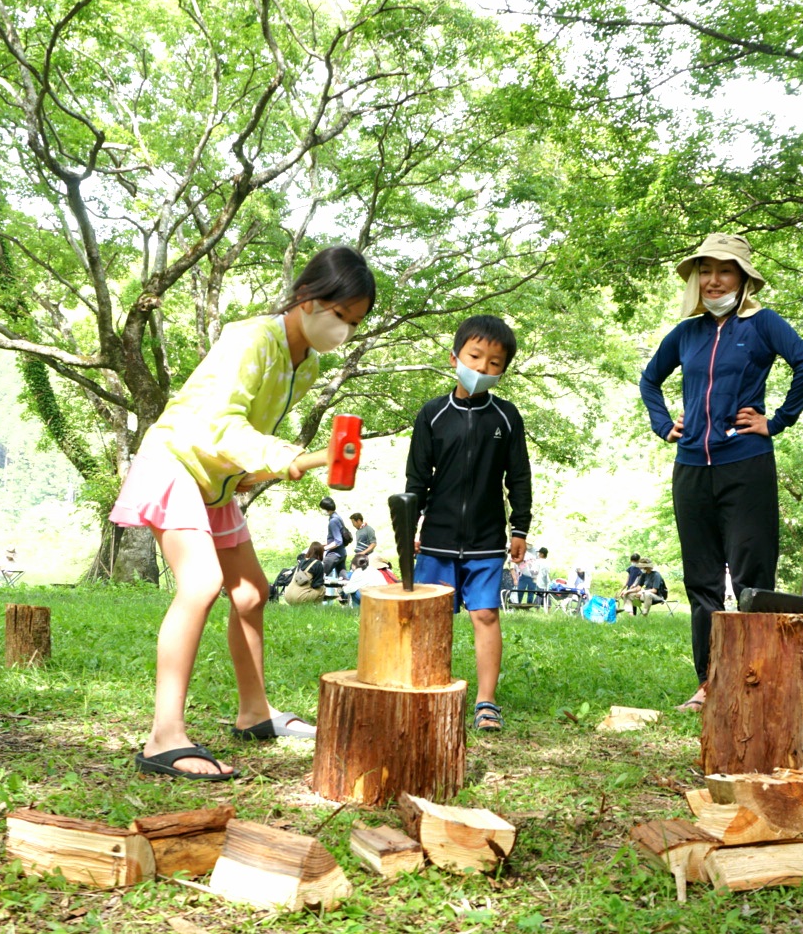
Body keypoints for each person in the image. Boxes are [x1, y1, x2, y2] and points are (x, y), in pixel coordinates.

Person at [111, 246, 375, 780]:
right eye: (339, 314)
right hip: (177, 461)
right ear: (307, 297)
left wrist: (283, 464)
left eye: (353, 322)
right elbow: (218, 425)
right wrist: (285, 456)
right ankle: (164, 735)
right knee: (202, 584)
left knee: (252, 591)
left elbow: (245, 444)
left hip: (215, 479)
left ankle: (255, 714)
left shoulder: (307, 368)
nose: (342, 329)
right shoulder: (250, 339)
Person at [641, 232, 803, 713]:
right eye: (706, 271)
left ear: (743, 279)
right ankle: (708, 683)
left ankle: (757, 682)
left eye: (725, 271)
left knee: (751, 579)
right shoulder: (686, 334)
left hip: (746, 466)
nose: (713, 280)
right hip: (691, 471)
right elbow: (649, 380)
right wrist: (665, 426)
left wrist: (776, 421)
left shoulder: (764, 325)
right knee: (701, 583)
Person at [405, 314, 533, 733]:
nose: (481, 368)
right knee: (432, 618)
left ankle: (486, 701)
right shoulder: (431, 414)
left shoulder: (507, 417)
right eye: (474, 356)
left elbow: (519, 477)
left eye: (494, 363)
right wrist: (411, 528)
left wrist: (520, 528)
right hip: (437, 538)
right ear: (455, 357)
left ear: (503, 370)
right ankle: (426, 689)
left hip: (486, 539)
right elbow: (417, 479)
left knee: (486, 616)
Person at [321, 497, 350, 579]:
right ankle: (347, 591)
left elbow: (338, 541)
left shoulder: (333, 521)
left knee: (319, 575)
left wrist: (325, 548)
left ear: (326, 509)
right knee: (344, 580)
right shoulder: (338, 517)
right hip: (342, 553)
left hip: (334, 554)